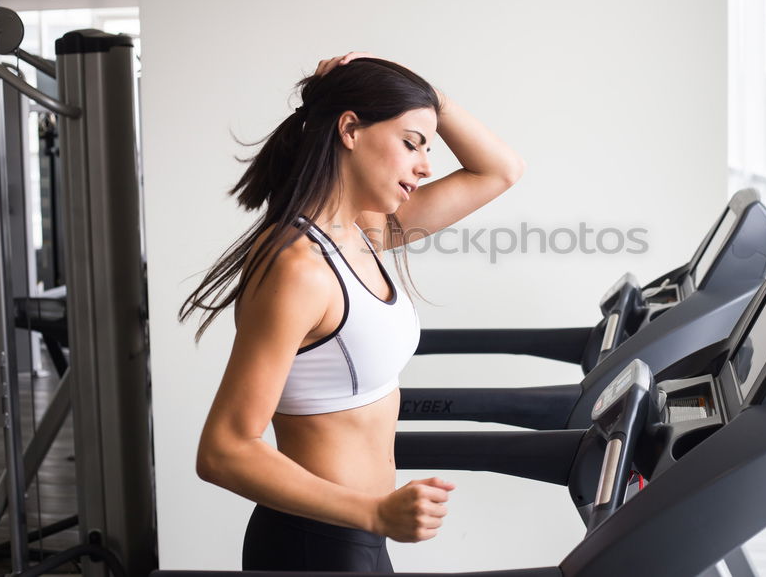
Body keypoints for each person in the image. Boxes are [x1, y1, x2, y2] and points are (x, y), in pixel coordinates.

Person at [179, 52, 525, 572]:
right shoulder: (298, 267)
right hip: (316, 544)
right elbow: (224, 449)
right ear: (350, 129)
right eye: (411, 143)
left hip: (359, 539)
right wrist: (376, 511)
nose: (426, 165)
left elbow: (501, 170)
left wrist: (429, 98)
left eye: (426, 148)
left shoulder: (362, 233)